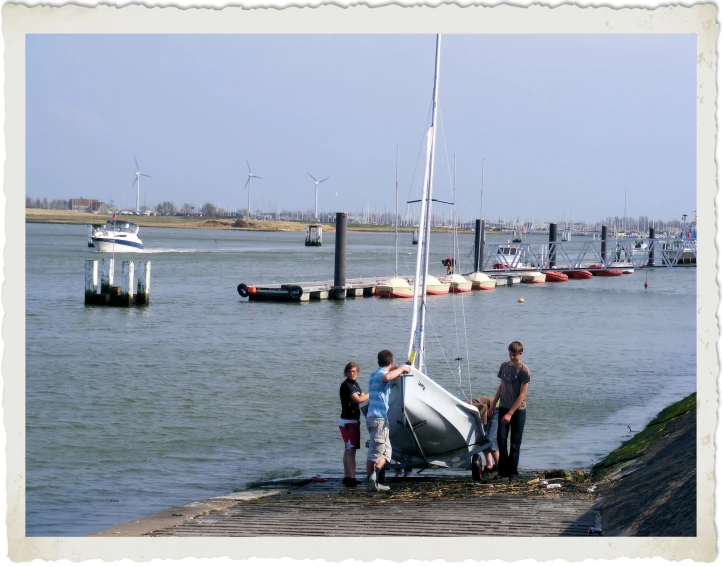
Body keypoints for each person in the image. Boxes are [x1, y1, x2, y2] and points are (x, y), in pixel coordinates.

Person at [366, 349, 411, 492]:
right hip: (379, 419)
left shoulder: (373, 374)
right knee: (376, 453)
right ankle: (373, 481)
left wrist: (393, 369)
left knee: (387, 452)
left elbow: (386, 376)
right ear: (390, 361)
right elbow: (386, 378)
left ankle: (374, 477)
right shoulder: (382, 375)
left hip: (373, 418)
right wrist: (403, 368)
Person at [490, 341, 531, 482]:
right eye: (510, 354)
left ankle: (513, 472)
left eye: (514, 354)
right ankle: (503, 470)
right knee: (501, 438)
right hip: (504, 407)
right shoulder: (504, 367)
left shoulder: (524, 370)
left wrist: (510, 413)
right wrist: (492, 405)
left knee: (515, 442)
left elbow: (522, 395)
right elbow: (501, 387)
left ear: (520, 354)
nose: (512, 357)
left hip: (518, 410)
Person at [339, 361, 368, 487]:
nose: (352, 373)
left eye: (354, 371)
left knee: (348, 449)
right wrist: (372, 392)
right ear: (346, 373)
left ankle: (347, 476)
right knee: (351, 450)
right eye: (350, 371)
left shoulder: (355, 384)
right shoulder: (347, 385)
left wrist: (363, 396)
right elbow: (359, 399)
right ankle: (351, 478)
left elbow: (361, 396)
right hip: (348, 421)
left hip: (353, 420)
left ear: (358, 372)